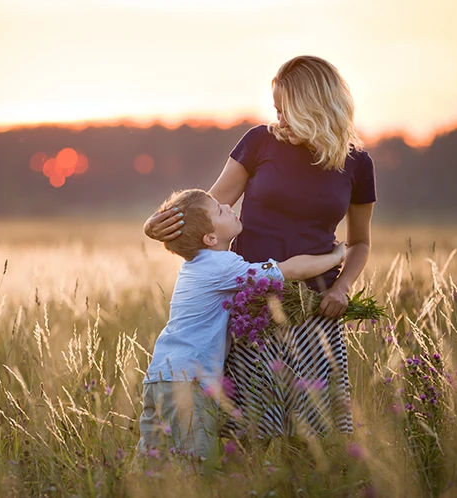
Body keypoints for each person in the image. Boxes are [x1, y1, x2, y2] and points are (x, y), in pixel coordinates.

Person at [143, 55, 376, 439]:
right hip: (252, 310)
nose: (279, 119)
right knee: (247, 432)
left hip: (316, 311)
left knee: (316, 434)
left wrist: (342, 286)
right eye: (276, 109)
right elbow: (209, 209)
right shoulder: (259, 142)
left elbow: (360, 243)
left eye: (287, 110)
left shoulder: (357, 164)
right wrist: (158, 225)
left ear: (315, 107)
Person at [138, 188, 346, 463]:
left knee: (153, 460)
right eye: (219, 210)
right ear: (210, 238)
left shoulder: (195, 265)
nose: (227, 205)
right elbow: (290, 270)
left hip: (161, 376)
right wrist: (335, 257)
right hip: (189, 380)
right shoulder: (222, 265)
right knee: (196, 465)